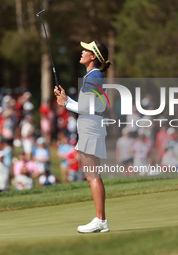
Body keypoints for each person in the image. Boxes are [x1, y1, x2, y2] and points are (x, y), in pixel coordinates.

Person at [54, 40, 111, 233]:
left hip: (90, 127)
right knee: (92, 175)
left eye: (86, 50)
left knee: (92, 175)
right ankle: (101, 220)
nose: (82, 52)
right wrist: (66, 99)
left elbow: (86, 108)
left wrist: (65, 104)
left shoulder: (93, 76)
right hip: (91, 126)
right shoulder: (93, 75)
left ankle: (100, 220)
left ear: (93, 56)